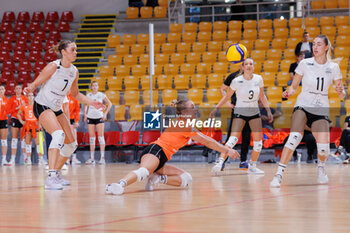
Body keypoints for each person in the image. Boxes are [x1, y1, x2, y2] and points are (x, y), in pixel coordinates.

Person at [106, 99, 240, 195]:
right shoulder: (183, 124)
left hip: (162, 158)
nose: (196, 109)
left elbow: (206, 140)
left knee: (187, 178)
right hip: (155, 150)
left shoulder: (186, 124)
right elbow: (207, 141)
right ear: (183, 112)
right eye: (192, 107)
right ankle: (118, 185)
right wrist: (227, 150)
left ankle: (157, 179)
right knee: (143, 171)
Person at [24, 40, 105, 190]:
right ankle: (51, 177)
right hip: (42, 105)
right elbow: (36, 83)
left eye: (76, 50)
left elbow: (75, 94)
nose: (76, 52)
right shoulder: (54, 66)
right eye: (73, 50)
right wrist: (30, 87)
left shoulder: (74, 71)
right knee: (58, 135)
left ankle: (57, 174)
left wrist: (92, 102)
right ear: (63, 52)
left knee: (71, 144)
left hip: (56, 108)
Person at [270, 35, 345, 188]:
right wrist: (288, 92)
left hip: (320, 108)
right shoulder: (304, 63)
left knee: (323, 148)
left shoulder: (333, 67)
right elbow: (294, 86)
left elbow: (342, 94)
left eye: (319, 44)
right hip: (303, 105)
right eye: (313, 44)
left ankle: (321, 168)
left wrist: (340, 91)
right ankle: (278, 174)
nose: (315, 47)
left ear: (326, 47)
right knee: (294, 137)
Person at [210, 58, 273, 174]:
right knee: (233, 139)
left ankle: (253, 166)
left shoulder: (258, 79)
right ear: (242, 67)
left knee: (258, 143)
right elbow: (227, 96)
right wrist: (216, 108)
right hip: (240, 112)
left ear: (253, 66)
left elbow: (262, 97)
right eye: (246, 64)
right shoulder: (236, 81)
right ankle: (219, 162)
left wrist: (268, 111)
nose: (249, 66)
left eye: (251, 64)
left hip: (254, 113)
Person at [220, 68, 251, 170]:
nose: (247, 66)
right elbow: (222, 88)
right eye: (245, 64)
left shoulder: (252, 76)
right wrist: (227, 103)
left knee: (246, 135)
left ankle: (243, 161)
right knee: (231, 135)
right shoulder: (233, 76)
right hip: (236, 108)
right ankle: (222, 160)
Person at [83, 81, 112, 165]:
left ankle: (102, 158)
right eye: (93, 86)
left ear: (98, 87)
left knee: (100, 137)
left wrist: (105, 113)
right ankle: (92, 158)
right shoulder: (88, 95)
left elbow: (110, 104)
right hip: (90, 117)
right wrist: (85, 115)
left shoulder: (101, 95)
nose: (95, 87)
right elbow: (85, 105)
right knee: (92, 138)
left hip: (99, 117)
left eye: (96, 85)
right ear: (91, 87)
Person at [17, 92, 44, 165]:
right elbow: (18, 114)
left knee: (38, 143)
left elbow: (41, 115)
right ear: (27, 97)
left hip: (35, 125)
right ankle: (28, 159)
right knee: (28, 143)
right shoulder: (24, 105)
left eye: (32, 95)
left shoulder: (36, 105)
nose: (30, 97)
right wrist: (22, 121)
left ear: (33, 97)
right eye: (29, 96)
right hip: (28, 125)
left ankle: (40, 159)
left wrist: (40, 123)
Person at [8, 84, 27, 165]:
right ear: (14, 90)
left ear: (21, 90)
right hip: (15, 119)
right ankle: (12, 159)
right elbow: (9, 111)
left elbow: (28, 108)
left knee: (23, 139)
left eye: (20, 88)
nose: (18, 90)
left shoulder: (25, 98)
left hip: (23, 119)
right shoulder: (12, 99)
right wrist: (17, 107)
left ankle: (25, 159)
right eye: (17, 88)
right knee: (14, 139)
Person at [67, 92, 81, 164]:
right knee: (64, 139)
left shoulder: (74, 97)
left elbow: (77, 110)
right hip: (63, 119)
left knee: (74, 139)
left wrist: (77, 121)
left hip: (72, 120)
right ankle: (66, 158)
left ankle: (74, 157)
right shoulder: (62, 97)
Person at [0, 85, 9, 165]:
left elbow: (9, 111)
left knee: (4, 140)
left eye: (2, 89)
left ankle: (4, 159)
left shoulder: (6, 100)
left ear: (5, 90)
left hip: (3, 121)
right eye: (0, 89)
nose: (1, 90)